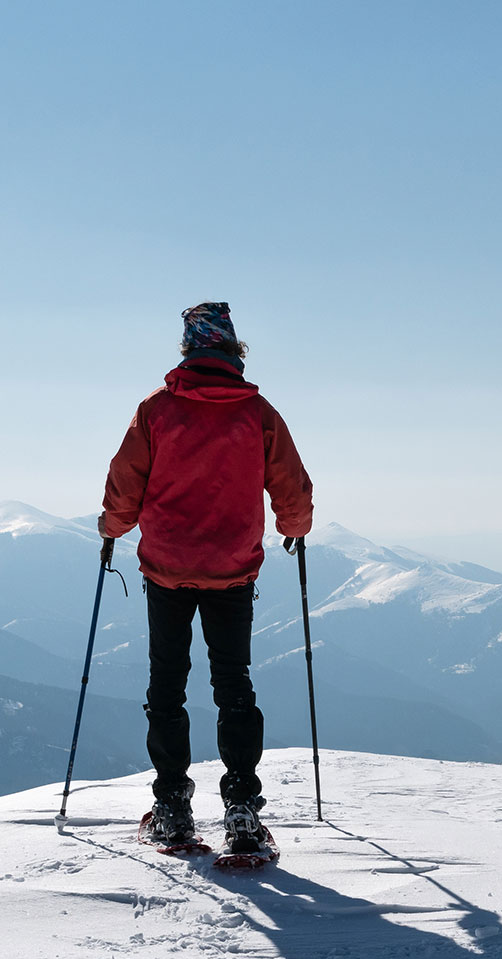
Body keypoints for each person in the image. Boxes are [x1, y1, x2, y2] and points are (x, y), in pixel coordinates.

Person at [99, 301, 313, 853]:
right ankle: (241, 811)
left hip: (167, 569)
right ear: (233, 351)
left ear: (189, 350)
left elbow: (127, 480)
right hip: (232, 571)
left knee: (166, 687)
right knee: (234, 687)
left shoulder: (157, 410)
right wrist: (294, 527)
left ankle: (172, 808)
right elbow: (291, 484)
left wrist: (112, 529)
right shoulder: (257, 411)